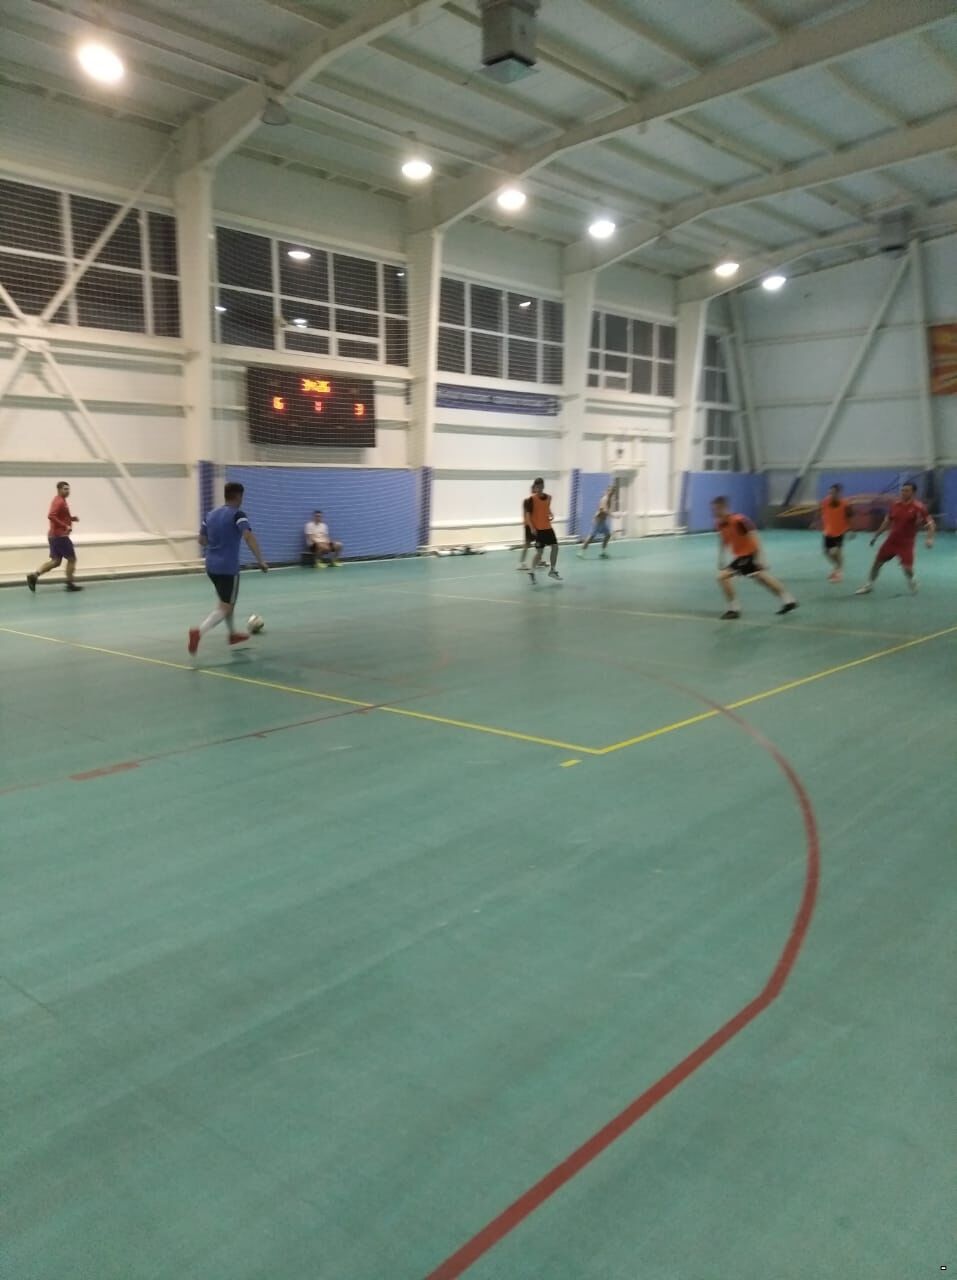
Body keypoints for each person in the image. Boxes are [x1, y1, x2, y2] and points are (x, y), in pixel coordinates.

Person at [188, 481, 268, 654]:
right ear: (239, 496)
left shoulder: (210, 515)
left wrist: (217, 544)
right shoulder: (238, 514)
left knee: (226, 601)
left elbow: (201, 540)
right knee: (225, 607)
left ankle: (232, 634)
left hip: (211, 566)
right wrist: (260, 560)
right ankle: (198, 632)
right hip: (228, 568)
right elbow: (248, 536)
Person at [712, 495, 797, 619]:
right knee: (762, 579)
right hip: (741, 556)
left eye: (716, 509)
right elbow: (723, 540)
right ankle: (789, 601)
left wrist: (761, 557)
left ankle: (734, 610)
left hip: (749, 555)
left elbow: (754, 535)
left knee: (722, 577)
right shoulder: (719, 524)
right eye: (713, 509)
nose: (714, 512)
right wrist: (721, 558)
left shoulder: (739, 520)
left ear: (724, 507)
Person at [855, 480, 934, 595]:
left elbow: (931, 524)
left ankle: (912, 580)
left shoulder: (919, 507)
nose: (903, 493)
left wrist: (929, 538)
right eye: (902, 490)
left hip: (906, 543)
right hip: (891, 541)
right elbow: (887, 521)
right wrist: (876, 535)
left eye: (907, 491)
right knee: (877, 563)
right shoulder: (895, 505)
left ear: (913, 493)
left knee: (907, 569)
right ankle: (869, 586)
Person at [27, 480, 82, 593]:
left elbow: (61, 516)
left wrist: (72, 519)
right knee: (72, 559)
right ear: (59, 490)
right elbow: (51, 515)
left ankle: (34, 576)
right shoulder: (59, 501)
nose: (68, 491)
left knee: (56, 561)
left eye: (68, 489)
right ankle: (70, 584)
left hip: (54, 536)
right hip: (60, 537)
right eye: (65, 489)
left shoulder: (61, 501)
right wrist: (65, 526)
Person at [526, 477, 561, 581]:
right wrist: (532, 528)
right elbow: (528, 516)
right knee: (539, 553)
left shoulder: (549, 498)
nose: (540, 488)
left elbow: (547, 508)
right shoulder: (531, 500)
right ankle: (532, 571)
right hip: (539, 530)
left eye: (541, 486)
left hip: (548, 528)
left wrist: (550, 513)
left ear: (543, 486)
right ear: (535, 487)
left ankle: (552, 570)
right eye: (538, 486)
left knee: (555, 547)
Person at [820, 482, 853, 582]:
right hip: (828, 531)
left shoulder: (845, 504)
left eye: (833, 493)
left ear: (839, 493)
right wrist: (815, 521)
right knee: (826, 552)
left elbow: (849, 517)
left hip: (840, 531)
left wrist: (850, 529)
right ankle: (836, 567)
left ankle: (839, 573)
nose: (831, 495)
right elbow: (822, 512)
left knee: (836, 552)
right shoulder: (825, 502)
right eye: (830, 493)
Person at [578, 482, 616, 559]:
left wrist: (609, 514)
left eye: (612, 491)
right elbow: (603, 510)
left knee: (608, 535)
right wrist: (612, 515)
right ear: (607, 491)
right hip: (598, 521)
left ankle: (603, 552)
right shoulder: (604, 499)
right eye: (609, 490)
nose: (611, 492)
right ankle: (581, 552)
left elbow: (606, 510)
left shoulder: (609, 499)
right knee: (591, 537)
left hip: (603, 522)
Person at [516, 483, 536, 572]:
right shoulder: (527, 501)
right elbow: (527, 515)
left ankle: (539, 560)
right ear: (532, 490)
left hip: (536, 526)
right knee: (527, 544)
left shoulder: (537, 501)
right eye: (535, 489)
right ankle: (521, 563)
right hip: (529, 526)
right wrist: (530, 526)